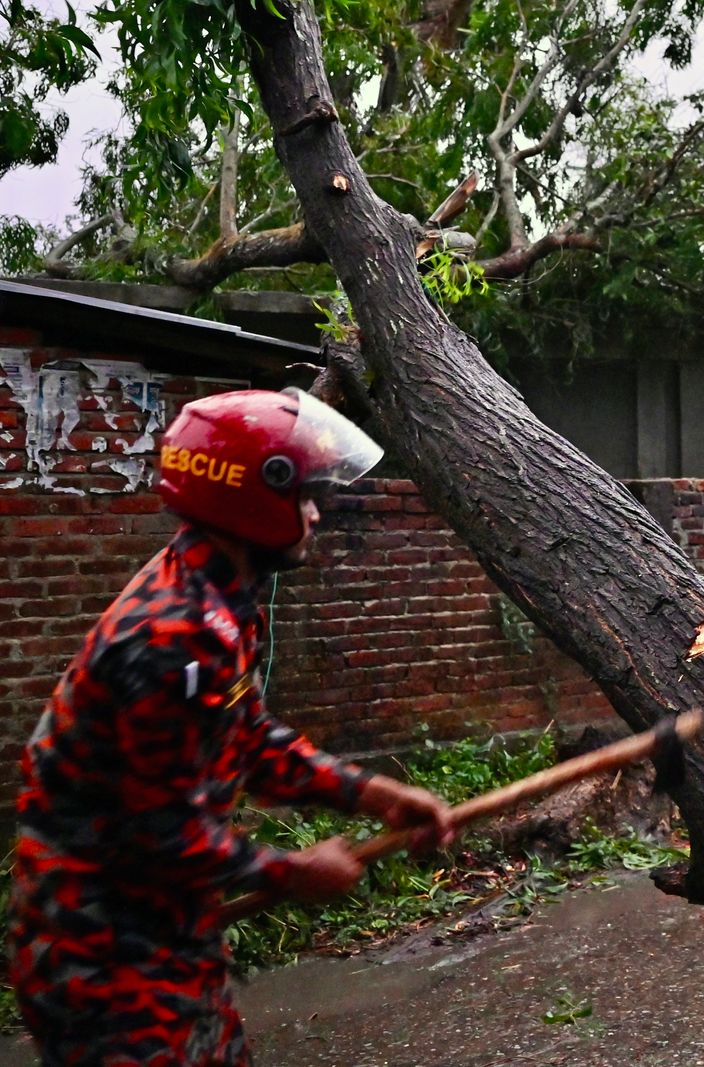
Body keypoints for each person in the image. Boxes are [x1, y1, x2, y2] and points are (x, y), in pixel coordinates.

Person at [8, 388, 457, 1066]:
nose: (314, 513)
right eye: (304, 495)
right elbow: (152, 831)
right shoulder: (170, 637)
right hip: (101, 954)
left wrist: (370, 794)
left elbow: (247, 736)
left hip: (164, 935)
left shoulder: (219, 600)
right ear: (253, 495)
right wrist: (287, 869)